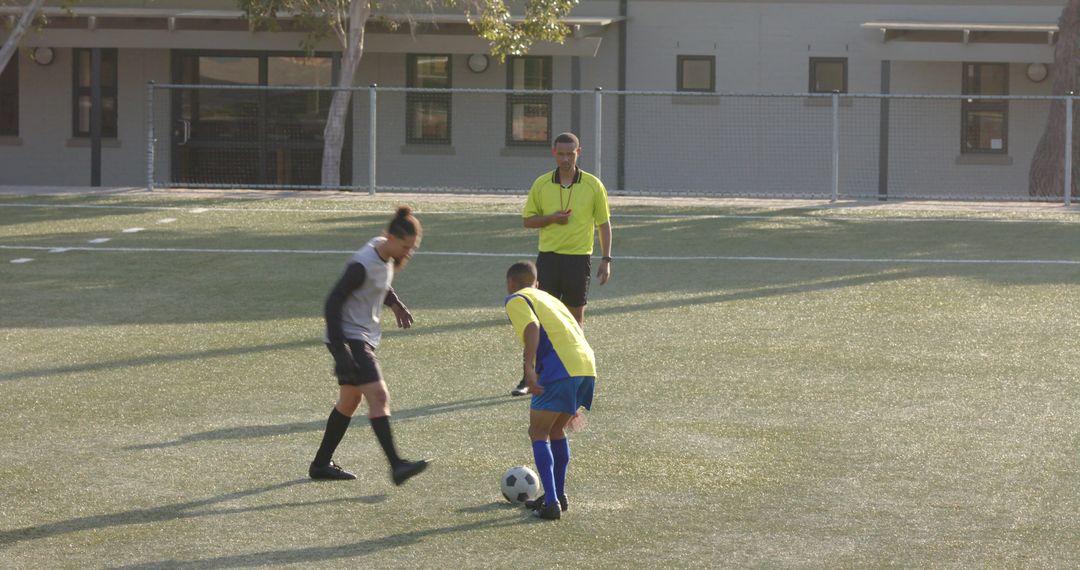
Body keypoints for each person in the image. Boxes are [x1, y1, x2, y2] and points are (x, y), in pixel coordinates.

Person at [308, 206, 429, 486]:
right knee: (379, 395)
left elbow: (379, 282)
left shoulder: (382, 251)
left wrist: (396, 304)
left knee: (350, 400)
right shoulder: (361, 264)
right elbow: (332, 303)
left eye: (412, 248)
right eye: (404, 246)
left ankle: (320, 464)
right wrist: (341, 353)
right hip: (350, 338)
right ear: (390, 236)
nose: (407, 253)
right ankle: (397, 465)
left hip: (360, 336)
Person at [511, 132, 612, 396]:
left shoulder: (592, 185)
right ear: (553, 153)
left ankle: (575, 376)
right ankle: (529, 377)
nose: (566, 159)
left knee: (575, 318)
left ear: (579, 153)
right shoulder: (542, 184)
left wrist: (606, 259)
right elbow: (528, 221)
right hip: (549, 259)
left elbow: (603, 224)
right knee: (539, 320)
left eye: (571, 153)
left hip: (579, 260)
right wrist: (552, 219)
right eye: (561, 153)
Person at [503, 260, 597, 520]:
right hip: (585, 366)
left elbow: (531, 328)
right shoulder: (549, 299)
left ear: (511, 283)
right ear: (538, 283)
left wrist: (529, 369)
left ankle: (552, 503)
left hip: (560, 370)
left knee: (538, 431)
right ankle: (558, 495)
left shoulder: (516, 298)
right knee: (556, 429)